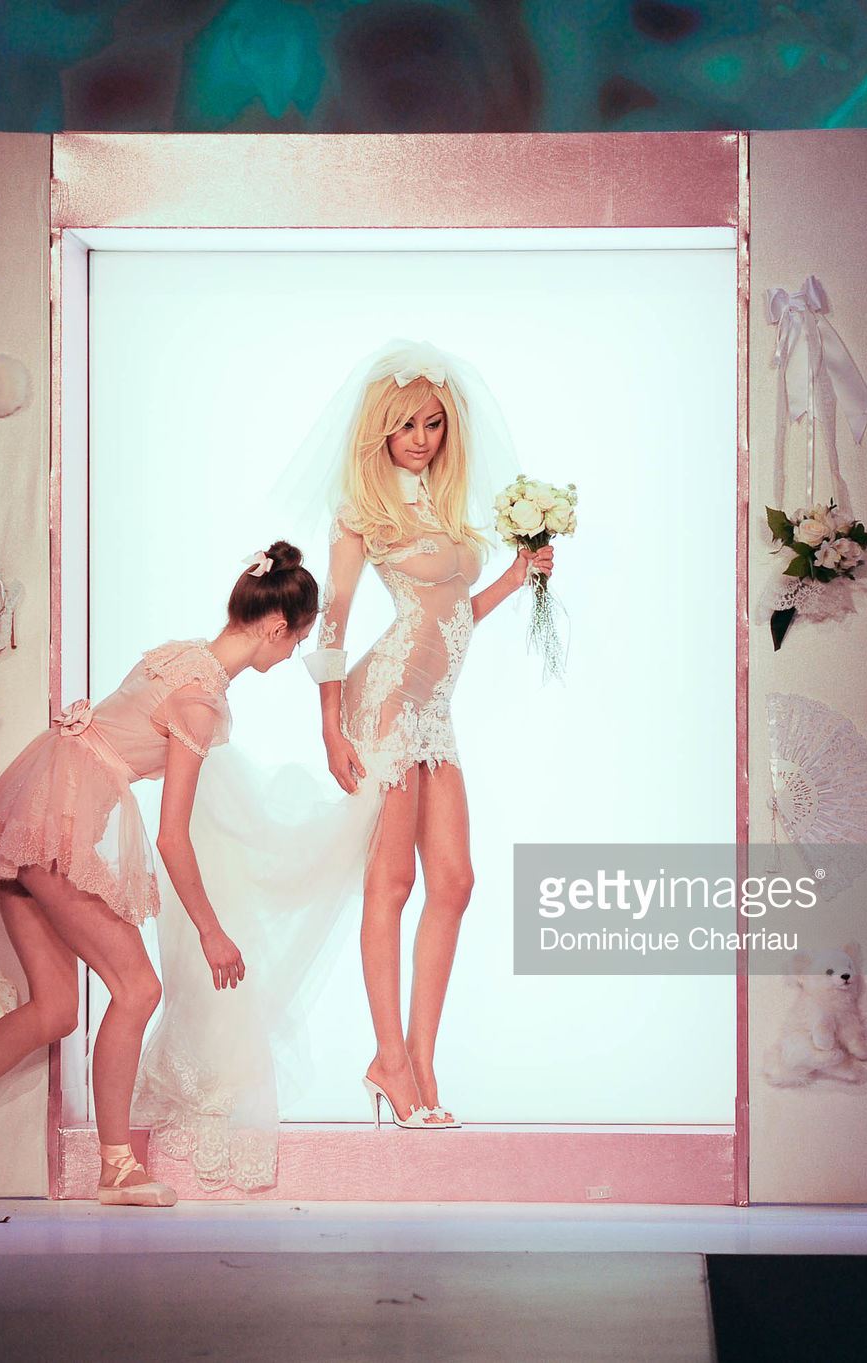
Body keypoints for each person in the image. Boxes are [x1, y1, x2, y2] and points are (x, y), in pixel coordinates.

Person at [0, 544, 320, 1204]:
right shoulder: (200, 699)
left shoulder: (179, 655)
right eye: (298, 641)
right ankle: (116, 1168)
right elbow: (172, 837)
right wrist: (211, 931)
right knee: (138, 988)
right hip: (54, 828)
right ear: (276, 627)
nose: (290, 656)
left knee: (56, 1008)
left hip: (26, 810)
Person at [303, 339, 554, 1130]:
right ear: (381, 428)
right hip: (382, 703)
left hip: (434, 709)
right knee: (392, 885)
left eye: (433, 423)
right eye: (407, 424)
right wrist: (330, 727)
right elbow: (334, 621)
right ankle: (390, 1059)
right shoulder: (362, 512)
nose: (420, 437)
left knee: (455, 882)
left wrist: (515, 577)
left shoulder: (442, 508)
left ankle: (420, 1057)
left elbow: (452, 614)